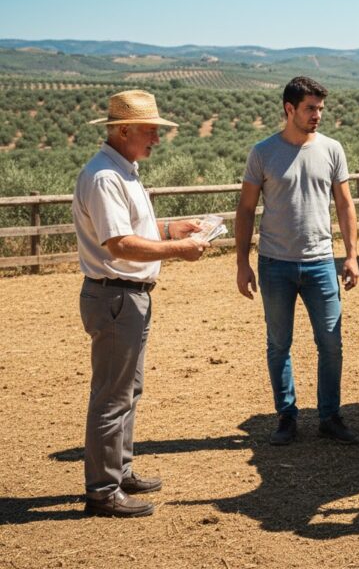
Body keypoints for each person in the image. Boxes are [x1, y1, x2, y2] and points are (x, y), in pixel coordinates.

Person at [73, 90, 210, 517]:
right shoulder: (105, 178)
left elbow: (134, 229)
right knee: (113, 396)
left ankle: (118, 471)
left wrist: (170, 229)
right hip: (118, 295)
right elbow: (119, 244)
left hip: (123, 297)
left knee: (126, 390)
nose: (156, 138)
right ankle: (102, 490)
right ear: (126, 129)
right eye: (151, 130)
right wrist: (181, 248)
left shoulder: (120, 172)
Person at [235, 76, 359, 446]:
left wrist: (352, 255)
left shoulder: (332, 150)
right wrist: (242, 263)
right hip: (275, 264)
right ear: (290, 109)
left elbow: (345, 205)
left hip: (321, 261)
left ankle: (330, 416)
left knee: (332, 343)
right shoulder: (263, 152)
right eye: (310, 108)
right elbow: (245, 209)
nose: (317, 115)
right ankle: (287, 417)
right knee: (279, 343)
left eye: (320, 108)